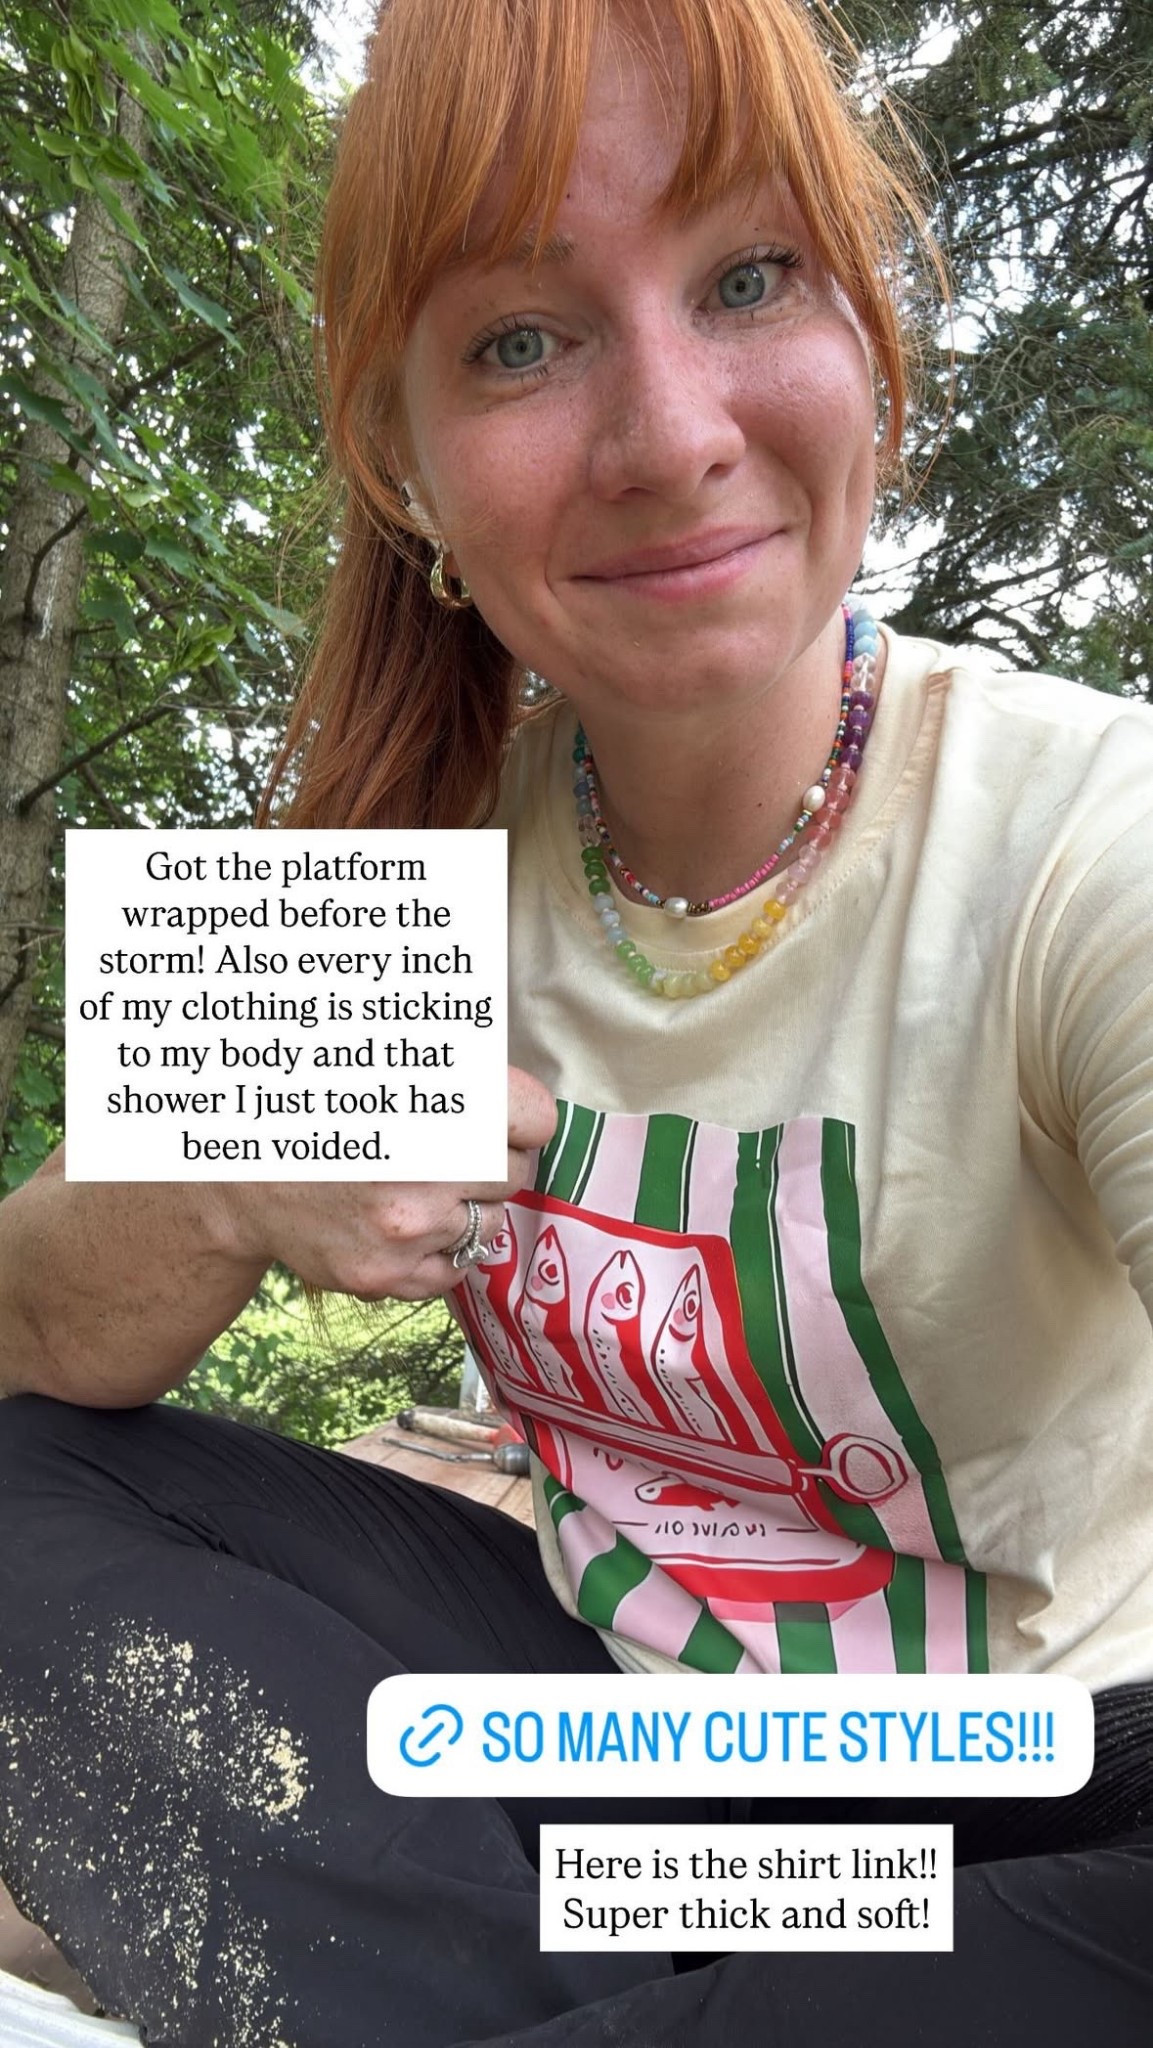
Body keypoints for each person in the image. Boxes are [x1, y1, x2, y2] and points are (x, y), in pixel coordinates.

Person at [1, 0, 1151, 2041]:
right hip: (601, 1751)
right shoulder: (394, 854)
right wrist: (220, 1181)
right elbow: (20, 1337)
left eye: (748, 278)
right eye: (522, 341)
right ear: (402, 463)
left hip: (1030, 1785)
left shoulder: (1084, 836)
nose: (670, 434)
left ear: (871, 333)